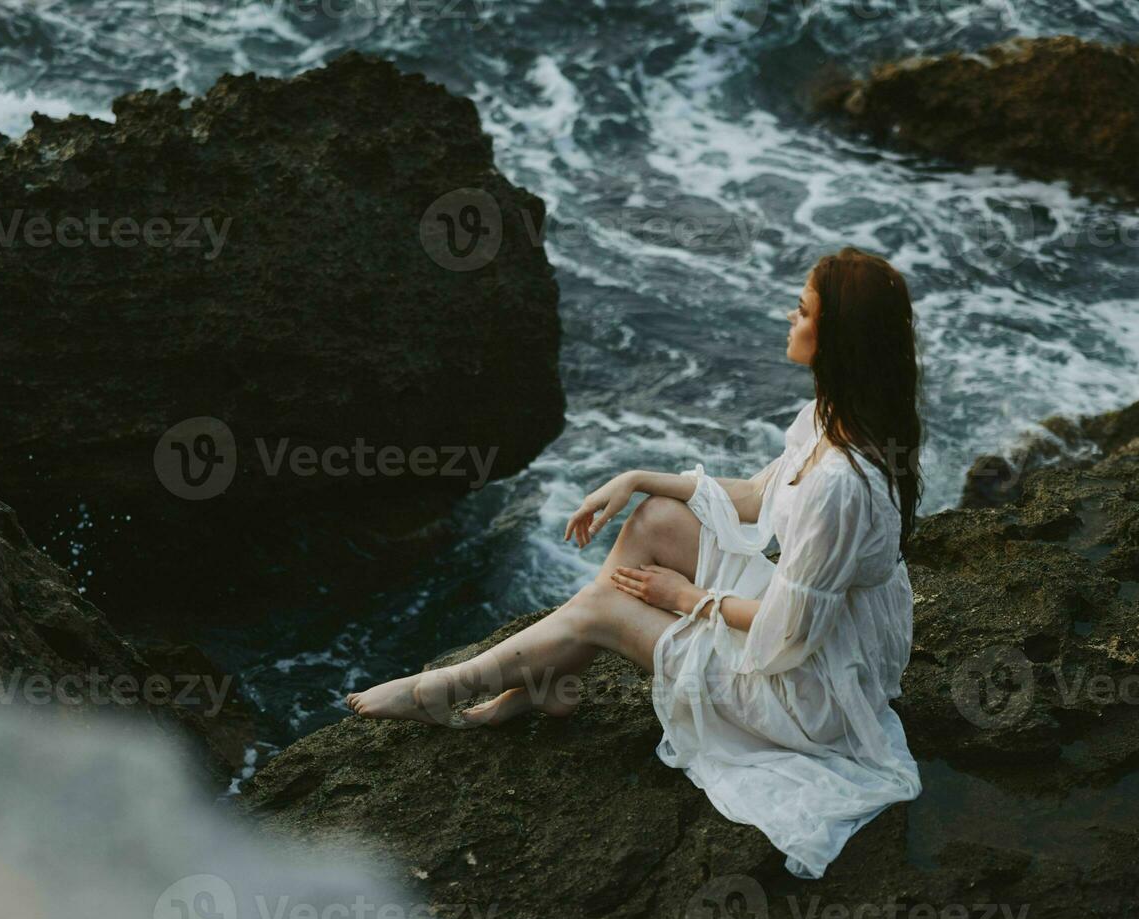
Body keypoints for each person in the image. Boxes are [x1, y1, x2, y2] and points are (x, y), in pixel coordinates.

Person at [347, 245, 924, 878]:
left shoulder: (840, 482)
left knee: (609, 608)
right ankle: (550, 682)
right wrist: (639, 477)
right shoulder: (829, 416)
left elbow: (788, 636)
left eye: (803, 309)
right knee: (653, 517)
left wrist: (686, 600)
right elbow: (760, 497)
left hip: (815, 691)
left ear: (835, 335)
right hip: (816, 632)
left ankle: (446, 690)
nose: (789, 317)